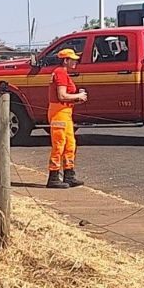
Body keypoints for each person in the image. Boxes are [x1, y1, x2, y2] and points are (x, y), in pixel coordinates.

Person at [46, 48, 88, 189]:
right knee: (59, 144)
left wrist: (76, 99)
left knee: (70, 144)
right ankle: (53, 176)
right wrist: (78, 96)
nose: (75, 61)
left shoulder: (62, 73)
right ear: (65, 60)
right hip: (59, 112)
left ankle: (69, 175)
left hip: (65, 111)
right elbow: (62, 96)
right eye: (73, 59)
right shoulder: (60, 73)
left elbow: (64, 97)